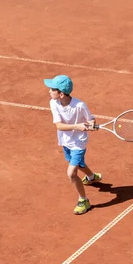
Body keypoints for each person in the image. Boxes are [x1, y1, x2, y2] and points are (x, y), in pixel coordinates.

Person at [44, 74, 102, 215]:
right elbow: (59, 126)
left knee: (71, 173)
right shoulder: (53, 103)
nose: (49, 91)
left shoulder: (80, 106)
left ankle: (83, 200)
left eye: (52, 89)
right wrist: (77, 126)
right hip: (65, 140)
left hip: (78, 143)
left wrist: (91, 124)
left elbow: (91, 119)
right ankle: (92, 177)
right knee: (75, 162)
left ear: (61, 94)